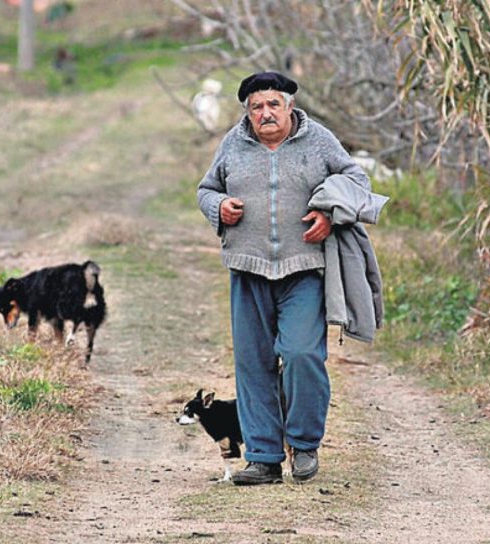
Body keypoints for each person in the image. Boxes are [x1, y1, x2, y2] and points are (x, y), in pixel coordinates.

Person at [197, 71, 377, 485]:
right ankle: (262, 457)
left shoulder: (319, 141)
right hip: (248, 268)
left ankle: (305, 444)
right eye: (256, 107)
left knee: (301, 355)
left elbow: (358, 182)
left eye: (273, 105)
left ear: (289, 106)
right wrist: (219, 206)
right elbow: (206, 190)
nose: (265, 113)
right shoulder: (233, 143)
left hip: (304, 270)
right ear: (248, 112)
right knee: (254, 363)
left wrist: (329, 214)